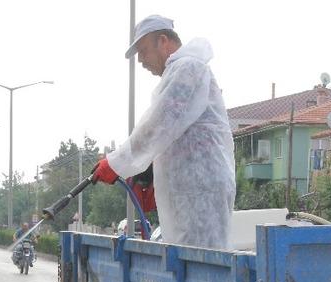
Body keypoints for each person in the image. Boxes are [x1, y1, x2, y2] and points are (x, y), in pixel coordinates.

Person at [91, 14, 236, 249]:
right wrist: (146, 174)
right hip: (192, 189)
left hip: (200, 190)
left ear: (163, 41)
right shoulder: (184, 71)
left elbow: (159, 124)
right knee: (189, 264)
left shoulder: (188, 68)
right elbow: (171, 132)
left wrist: (116, 163)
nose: (140, 60)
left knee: (201, 267)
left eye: (143, 50)